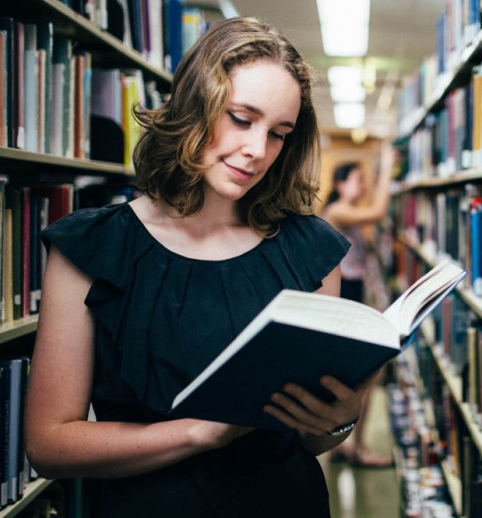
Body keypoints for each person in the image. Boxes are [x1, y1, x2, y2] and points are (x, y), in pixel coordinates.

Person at [23, 17, 379, 517]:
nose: (258, 151)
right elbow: (48, 445)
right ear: (194, 106)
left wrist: (337, 420)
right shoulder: (92, 246)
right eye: (240, 117)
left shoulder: (311, 250)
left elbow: (309, 442)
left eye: (279, 133)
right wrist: (199, 433)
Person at [320, 150, 394, 468]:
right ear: (340, 183)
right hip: (345, 302)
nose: (363, 185)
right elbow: (377, 212)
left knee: (353, 381)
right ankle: (356, 448)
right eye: (358, 179)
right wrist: (387, 169)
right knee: (362, 380)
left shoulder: (345, 211)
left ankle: (343, 446)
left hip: (351, 299)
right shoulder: (337, 211)